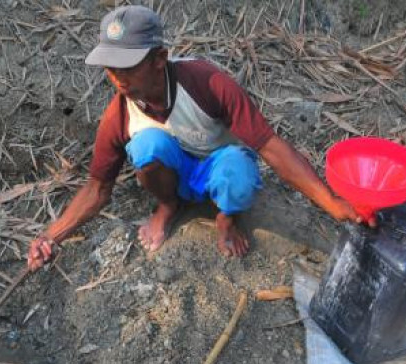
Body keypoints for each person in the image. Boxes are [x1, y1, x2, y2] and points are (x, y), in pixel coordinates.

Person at [27, 5, 361, 271]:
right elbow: (97, 188)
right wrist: (50, 236)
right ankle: (168, 205)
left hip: (220, 166)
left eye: (127, 65)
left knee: (237, 172)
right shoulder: (120, 112)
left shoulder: (206, 83)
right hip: (177, 175)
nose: (116, 76)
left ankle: (226, 218)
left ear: (159, 59)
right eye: (110, 66)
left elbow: (270, 146)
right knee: (146, 146)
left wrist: (331, 202)